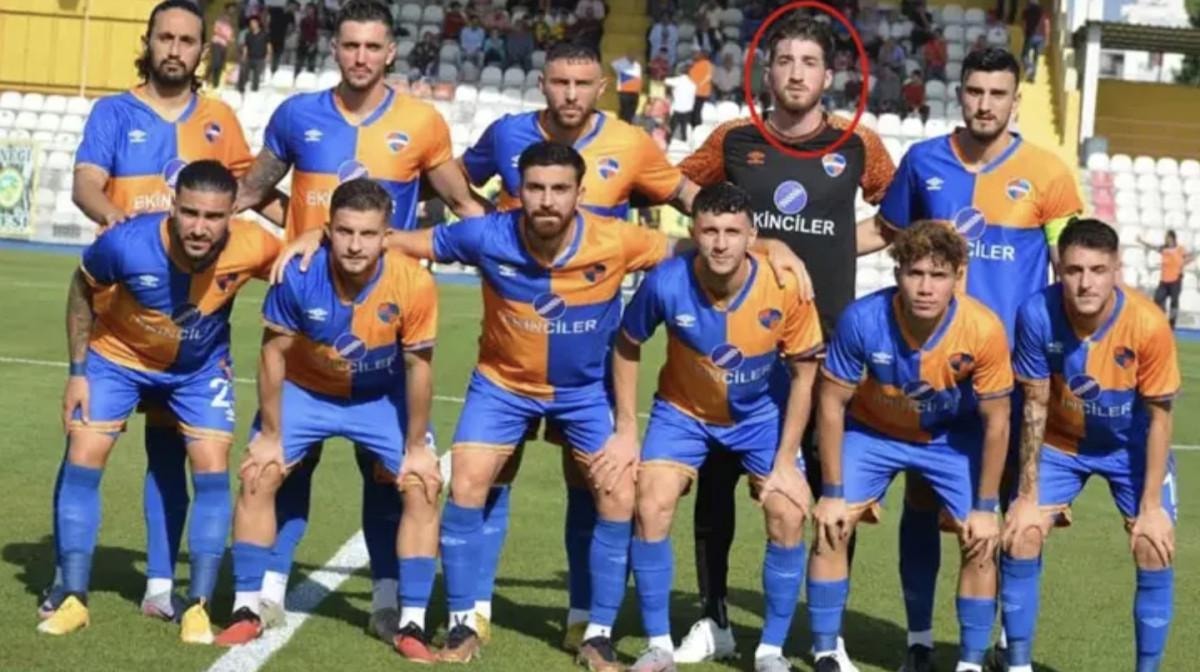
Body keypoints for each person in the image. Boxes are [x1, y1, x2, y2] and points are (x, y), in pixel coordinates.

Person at [270, 141, 805, 669]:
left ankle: (598, 634)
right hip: (502, 385)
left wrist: (769, 246)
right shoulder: (487, 234)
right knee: (466, 482)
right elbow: (403, 242)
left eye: (559, 188)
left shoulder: (616, 238)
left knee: (619, 491)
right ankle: (462, 621)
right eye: (536, 188)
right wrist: (318, 234)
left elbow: (698, 244)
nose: (547, 200)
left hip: (584, 393)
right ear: (517, 191)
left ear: (580, 193)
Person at [230, 0, 486, 643]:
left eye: (373, 47)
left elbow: (461, 202)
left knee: (389, 477)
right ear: (334, 48)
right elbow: (251, 191)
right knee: (285, 468)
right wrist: (304, 231)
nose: (361, 57)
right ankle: (266, 592)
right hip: (310, 320)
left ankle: (388, 599)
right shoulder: (297, 115)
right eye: (350, 46)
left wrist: (519, 260)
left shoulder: (421, 122)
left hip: (386, 327)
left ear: (391, 51)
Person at [458, 42, 709, 644]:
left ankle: (581, 617)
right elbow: (457, 180)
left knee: (591, 482)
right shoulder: (506, 133)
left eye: (582, 84)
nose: (570, 94)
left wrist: (751, 237)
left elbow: (687, 198)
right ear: (542, 83)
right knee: (494, 472)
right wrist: (485, 228)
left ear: (601, 87)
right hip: (512, 348)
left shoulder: (630, 144)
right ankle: (475, 610)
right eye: (559, 82)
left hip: (588, 358)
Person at [675, 13, 895, 664]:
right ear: (766, 71)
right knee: (717, 477)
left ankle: (827, 637)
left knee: (831, 488)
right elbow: (678, 185)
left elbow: (899, 212)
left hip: (828, 347)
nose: (796, 73)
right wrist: (756, 243)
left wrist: (840, 247)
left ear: (830, 75)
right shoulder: (733, 139)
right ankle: (714, 618)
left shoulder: (859, 144)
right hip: (737, 343)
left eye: (809, 62)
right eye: (785, 61)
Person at [41, 0, 269, 626]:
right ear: (148, 42)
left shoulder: (220, 119)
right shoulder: (113, 113)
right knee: (84, 444)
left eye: (187, 40)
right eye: (164, 37)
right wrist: (115, 221)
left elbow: (248, 194)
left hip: (190, 330)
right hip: (120, 314)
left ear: (202, 51)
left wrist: (314, 233)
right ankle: (66, 577)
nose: (174, 49)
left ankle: (163, 584)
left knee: (173, 456)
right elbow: (86, 183)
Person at [867, 48, 1083, 670]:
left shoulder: (1047, 172)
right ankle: (918, 642)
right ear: (959, 93)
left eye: (997, 94)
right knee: (919, 497)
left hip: (1011, 376)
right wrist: (793, 251)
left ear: (1016, 100)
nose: (984, 105)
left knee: (1011, 511)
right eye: (974, 91)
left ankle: (1003, 648)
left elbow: (1071, 267)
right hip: (934, 369)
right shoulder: (923, 161)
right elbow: (885, 234)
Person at [37, 160, 282, 641]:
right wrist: (78, 373)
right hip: (117, 358)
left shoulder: (254, 244)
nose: (199, 227)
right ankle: (73, 596)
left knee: (212, 467)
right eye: (190, 213)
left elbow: (300, 264)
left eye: (213, 217)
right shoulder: (126, 243)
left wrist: (308, 239)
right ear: (173, 206)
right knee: (84, 452)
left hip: (198, 371)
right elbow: (82, 287)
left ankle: (198, 605)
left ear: (232, 214)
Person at [215, 179, 444, 661]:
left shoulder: (414, 282)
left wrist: (417, 445)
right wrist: (270, 435)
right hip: (308, 390)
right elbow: (272, 355)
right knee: (259, 472)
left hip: (380, 396)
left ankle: (412, 621)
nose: (355, 245)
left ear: (386, 236)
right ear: (328, 230)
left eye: (367, 234)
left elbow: (418, 368)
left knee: (422, 483)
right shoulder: (298, 274)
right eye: (345, 232)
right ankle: (246, 607)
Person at [615, 183, 823, 672]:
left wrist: (786, 459)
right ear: (694, 232)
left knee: (788, 513)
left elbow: (805, 374)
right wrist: (626, 427)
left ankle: (770, 651)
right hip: (683, 412)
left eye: (732, 231)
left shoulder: (784, 284)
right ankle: (658, 645)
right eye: (710, 231)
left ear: (752, 236)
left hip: (761, 417)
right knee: (651, 503)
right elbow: (626, 343)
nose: (721, 243)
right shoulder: (666, 282)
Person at [808, 221, 1013, 672]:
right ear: (897, 271)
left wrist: (985, 508)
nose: (925, 287)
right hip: (874, 432)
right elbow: (831, 402)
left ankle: (970, 663)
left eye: (938, 275)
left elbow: (997, 422)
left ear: (958, 276)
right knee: (831, 524)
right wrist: (832, 492)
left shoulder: (983, 328)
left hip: (949, 439)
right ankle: (826, 651)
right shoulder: (863, 318)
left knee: (980, 538)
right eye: (915, 273)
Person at [1001, 219, 1180, 672]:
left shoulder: (1148, 324)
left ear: (1117, 269)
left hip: (1131, 449)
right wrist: (1026, 495)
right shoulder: (1036, 314)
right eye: (1075, 270)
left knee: (1153, 545)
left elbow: (1160, 419)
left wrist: (1151, 507)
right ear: (1059, 269)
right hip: (1061, 445)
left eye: (1098, 270)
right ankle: (1016, 664)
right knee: (1022, 534)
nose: (1086, 282)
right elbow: (1034, 404)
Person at [1140, 230, 1194, 329]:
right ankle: (1161, 319)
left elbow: (1190, 257)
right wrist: (1141, 241)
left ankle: (1172, 324)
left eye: (1168, 237)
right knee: (1157, 299)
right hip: (1164, 281)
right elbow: (1152, 247)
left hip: (1175, 280)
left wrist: (1182, 264)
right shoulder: (1164, 249)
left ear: (1173, 238)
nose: (1167, 239)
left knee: (1174, 302)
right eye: (1166, 238)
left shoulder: (1180, 249)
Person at [238, 15, 271, 92]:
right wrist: (244, 56)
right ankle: (241, 88)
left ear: (257, 23)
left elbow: (268, 45)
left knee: (256, 75)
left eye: (254, 23)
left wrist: (268, 55)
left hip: (260, 58)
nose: (252, 25)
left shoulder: (264, 34)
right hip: (249, 57)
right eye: (251, 23)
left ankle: (254, 89)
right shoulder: (248, 35)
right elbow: (246, 46)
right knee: (244, 73)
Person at [208, 3, 237, 88]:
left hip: (224, 45)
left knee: (220, 64)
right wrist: (226, 36)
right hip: (217, 42)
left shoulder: (231, 21)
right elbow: (216, 30)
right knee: (216, 63)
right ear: (227, 9)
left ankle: (215, 83)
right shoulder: (221, 18)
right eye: (231, 9)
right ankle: (209, 79)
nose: (232, 11)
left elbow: (230, 33)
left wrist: (231, 38)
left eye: (233, 10)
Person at [664, 66, 696, 142]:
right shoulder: (693, 84)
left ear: (680, 73)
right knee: (684, 129)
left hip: (677, 109)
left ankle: (669, 142)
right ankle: (684, 142)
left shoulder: (678, 80)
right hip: (688, 110)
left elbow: (665, 80)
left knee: (672, 129)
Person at [611, 52, 643, 123]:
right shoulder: (621, 63)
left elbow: (639, 77)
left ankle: (628, 124)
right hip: (625, 91)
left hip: (635, 91)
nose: (634, 57)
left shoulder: (637, 65)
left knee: (632, 110)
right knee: (624, 110)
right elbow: (613, 65)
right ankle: (621, 124)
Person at [688, 51, 713, 129]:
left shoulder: (707, 63)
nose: (695, 56)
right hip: (693, 92)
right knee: (693, 111)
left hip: (702, 92)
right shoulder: (693, 64)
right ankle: (693, 127)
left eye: (697, 54)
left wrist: (699, 84)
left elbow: (708, 76)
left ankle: (697, 128)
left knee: (697, 111)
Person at [295, 2, 321, 75]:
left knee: (311, 65)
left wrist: (314, 44)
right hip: (302, 43)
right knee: (299, 63)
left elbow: (318, 34)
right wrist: (299, 42)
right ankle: (296, 77)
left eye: (310, 8)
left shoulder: (317, 21)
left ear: (314, 10)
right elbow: (301, 32)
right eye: (307, 8)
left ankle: (310, 77)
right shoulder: (303, 20)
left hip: (312, 44)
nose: (308, 10)